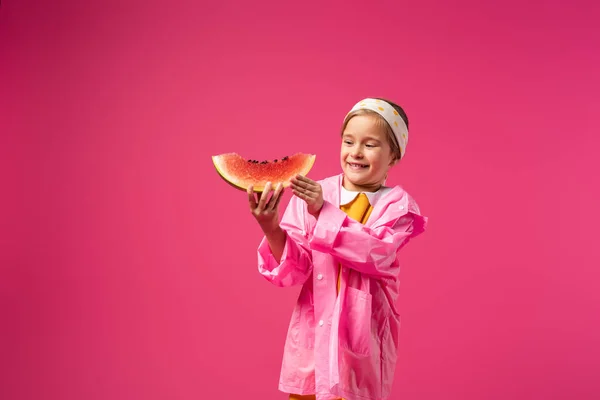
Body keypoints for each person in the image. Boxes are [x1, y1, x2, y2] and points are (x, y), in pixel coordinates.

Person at [247, 98, 428, 400]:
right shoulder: (314, 193)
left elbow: (376, 253)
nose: (356, 152)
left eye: (370, 145)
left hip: (361, 346)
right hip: (311, 343)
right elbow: (296, 270)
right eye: (348, 141)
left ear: (394, 156)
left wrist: (323, 211)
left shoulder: (398, 206)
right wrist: (270, 227)